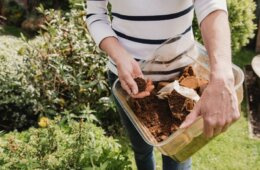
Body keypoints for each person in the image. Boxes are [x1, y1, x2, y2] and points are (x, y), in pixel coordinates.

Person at [86, 0, 240, 169]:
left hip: (183, 80)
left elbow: (211, 4)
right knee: (141, 149)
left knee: (178, 156)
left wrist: (222, 77)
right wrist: (119, 55)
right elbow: (96, 14)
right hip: (129, 83)